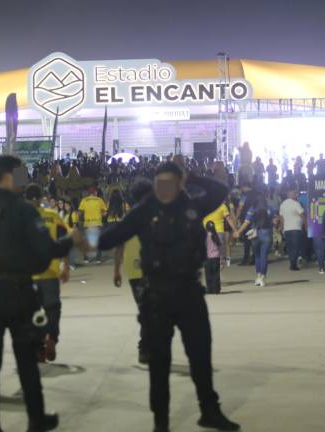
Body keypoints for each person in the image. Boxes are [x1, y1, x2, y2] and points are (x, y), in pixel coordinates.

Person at [98, 162, 240, 432]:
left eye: (170, 183)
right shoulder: (144, 211)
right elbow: (110, 238)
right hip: (157, 296)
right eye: (159, 183)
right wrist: (72, 241)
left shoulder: (193, 206)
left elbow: (220, 190)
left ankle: (209, 411)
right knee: (159, 365)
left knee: (200, 357)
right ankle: (160, 423)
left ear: (180, 183)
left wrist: (194, 176)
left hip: (189, 293)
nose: (164, 188)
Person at [0, 155, 85, 432]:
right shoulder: (23, 210)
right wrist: (69, 242)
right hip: (19, 292)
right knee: (26, 358)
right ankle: (36, 418)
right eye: (21, 174)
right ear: (9, 176)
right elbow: (44, 252)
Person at [25, 184, 71, 363]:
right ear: (41, 198)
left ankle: (39, 350)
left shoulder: (21, 218)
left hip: (28, 276)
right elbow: (65, 240)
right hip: (50, 272)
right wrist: (66, 267)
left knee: (33, 313)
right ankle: (52, 337)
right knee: (53, 309)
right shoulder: (52, 215)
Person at [113, 179, 153, 364]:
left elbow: (119, 245)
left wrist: (117, 270)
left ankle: (147, 346)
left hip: (135, 270)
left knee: (146, 310)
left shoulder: (128, 218)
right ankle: (146, 346)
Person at [234, 193, 273, 287]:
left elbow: (246, 223)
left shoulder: (252, 209)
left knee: (257, 256)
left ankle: (258, 276)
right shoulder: (269, 209)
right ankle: (263, 277)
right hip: (267, 233)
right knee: (264, 256)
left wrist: (238, 232)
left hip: (255, 234)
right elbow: (275, 220)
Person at [78, 185, 107, 264]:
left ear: (88, 193)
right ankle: (98, 259)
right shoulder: (99, 200)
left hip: (87, 223)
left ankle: (86, 259)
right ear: (96, 192)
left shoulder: (84, 200)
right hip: (97, 223)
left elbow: (80, 213)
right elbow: (105, 213)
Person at [202, 201, 237, 268]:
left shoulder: (205, 204)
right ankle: (219, 263)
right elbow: (229, 219)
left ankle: (210, 265)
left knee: (208, 249)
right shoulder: (222, 206)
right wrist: (235, 230)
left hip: (207, 231)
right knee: (218, 249)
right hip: (219, 231)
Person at [279, 190, 305, 271]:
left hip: (287, 229)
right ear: (292, 195)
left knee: (290, 247)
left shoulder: (283, 204)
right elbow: (302, 215)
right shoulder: (296, 203)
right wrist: (307, 226)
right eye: (295, 194)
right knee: (296, 247)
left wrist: (282, 227)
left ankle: (292, 263)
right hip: (296, 228)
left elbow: (281, 217)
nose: (296, 195)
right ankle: (293, 264)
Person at [204, 221, 223, 294]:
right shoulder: (217, 236)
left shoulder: (205, 236)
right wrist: (222, 258)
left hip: (207, 258)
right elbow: (220, 248)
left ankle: (210, 289)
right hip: (216, 257)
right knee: (216, 274)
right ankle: (216, 289)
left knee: (208, 274)